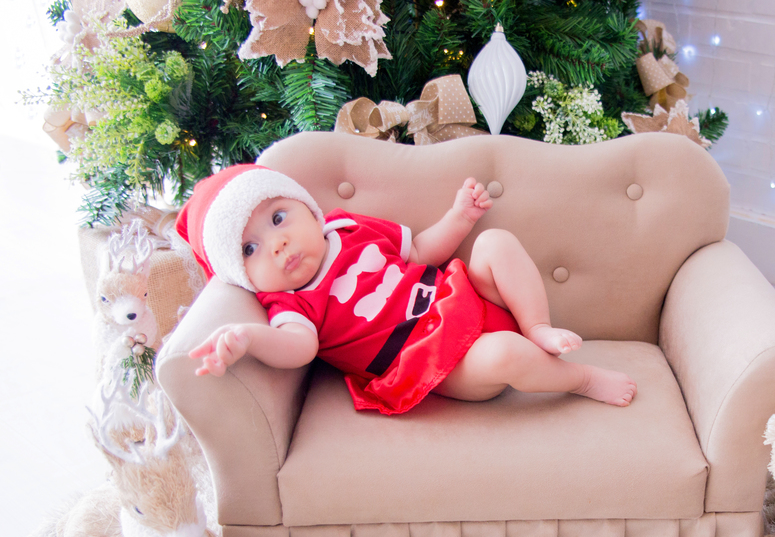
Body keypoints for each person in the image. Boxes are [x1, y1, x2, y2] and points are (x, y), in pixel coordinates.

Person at [176, 164, 636, 414]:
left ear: (308, 209)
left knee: (495, 243)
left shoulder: (346, 228)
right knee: (504, 355)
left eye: (278, 218)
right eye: (250, 249)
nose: (277, 244)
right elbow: (299, 348)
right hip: (437, 362)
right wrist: (249, 338)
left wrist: (460, 218)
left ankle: (537, 327)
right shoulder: (290, 303)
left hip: (462, 298)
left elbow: (417, 251)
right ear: (243, 276)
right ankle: (581, 379)